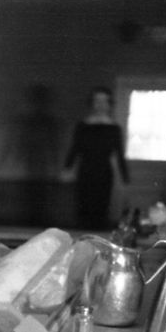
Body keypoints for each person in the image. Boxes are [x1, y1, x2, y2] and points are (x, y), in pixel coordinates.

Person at [60, 86, 130, 229]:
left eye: (104, 101)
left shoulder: (114, 128)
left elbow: (119, 153)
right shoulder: (82, 126)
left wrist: (125, 178)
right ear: (92, 103)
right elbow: (75, 149)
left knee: (101, 207)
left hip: (104, 172)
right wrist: (67, 168)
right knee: (83, 207)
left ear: (109, 104)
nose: (100, 104)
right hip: (85, 171)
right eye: (97, 101)